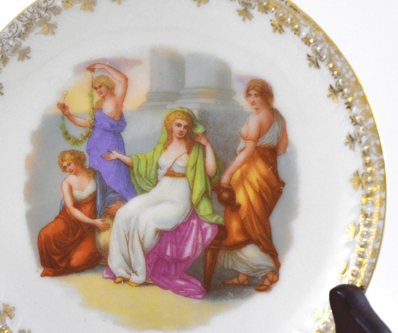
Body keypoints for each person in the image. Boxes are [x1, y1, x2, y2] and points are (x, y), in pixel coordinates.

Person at [104, 108, 222, 298]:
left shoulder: (194, 148)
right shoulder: (164, 147)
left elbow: (210, 172)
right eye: (178, 125)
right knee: (124, 213)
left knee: (146, 219)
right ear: (170, 126)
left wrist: (207, 145)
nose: (181, 129)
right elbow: (142, 162)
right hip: (158, 192)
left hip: (179, 196)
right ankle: (121, 268)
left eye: (185, 126)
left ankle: (139, 272)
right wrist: (118, 156)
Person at [216, 79, 288, 292]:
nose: (252, 100)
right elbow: (281, 149)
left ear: (265, 96)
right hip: (268, 173)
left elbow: (248, 151)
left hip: (250, 172)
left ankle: (270, 272)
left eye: (257, 96)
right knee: (249, 220)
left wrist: (226, 176)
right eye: (249, 96)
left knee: (247, 221)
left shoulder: (255, 120)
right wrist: (266, 154)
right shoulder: (279, 118)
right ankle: (243, 275)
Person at [38, 150, 125, 276]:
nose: (68, 168)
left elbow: (106, 193)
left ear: (77, 160)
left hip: (90, 228)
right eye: (65, 167)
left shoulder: (94, 174)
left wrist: (119, 203)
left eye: (69, 164)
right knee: (45, 234)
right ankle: (51, 267)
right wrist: (93, 222)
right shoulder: (66, 183)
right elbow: (71, 209)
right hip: (71, 220)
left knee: (76, 263)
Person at [57, 63, 136, 201]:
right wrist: (68, 114)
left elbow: (124, 79)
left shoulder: (117, 100)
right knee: (99, 182)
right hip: (95, 150)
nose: (98, 90)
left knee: (116, 179)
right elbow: (84, 123)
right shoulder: (97, 106)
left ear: (108, 85)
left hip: (111, 147)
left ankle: (124, 206)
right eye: (96, 88)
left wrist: (101, 66)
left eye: (101, 86)